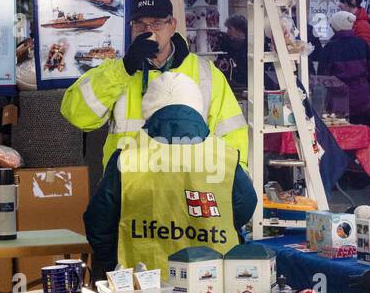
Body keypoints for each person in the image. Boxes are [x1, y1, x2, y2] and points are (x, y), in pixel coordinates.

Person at [84, 72, 257, 278]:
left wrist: (116, 264)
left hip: (141, 289)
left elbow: (98, 222)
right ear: (197, 108)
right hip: (211, 284)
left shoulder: (127, 158)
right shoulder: (224, 158)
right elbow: (245, 208)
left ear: (148, 111)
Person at [61, 0, 248, 169]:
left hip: (184, 191)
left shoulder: (206, 73)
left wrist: (232, 184)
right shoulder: (115, 70)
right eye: (140, 24)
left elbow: (231, 134)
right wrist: (124, 68)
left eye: (157, 23)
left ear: (172, 26)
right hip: (126, 190)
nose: (148, 31)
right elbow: (77, 116)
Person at [318, 11, 370, 126]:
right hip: (362, 98)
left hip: (339, 100)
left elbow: (322, 75)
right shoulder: (362, 44)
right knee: (361, 132)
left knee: (343, 135)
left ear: (336, 27)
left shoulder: (330, 47)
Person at [214, 14, 248, 95]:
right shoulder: (229, 43)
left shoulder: (249, 47)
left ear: (239, 30)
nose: (227, 32)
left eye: (230, 29)